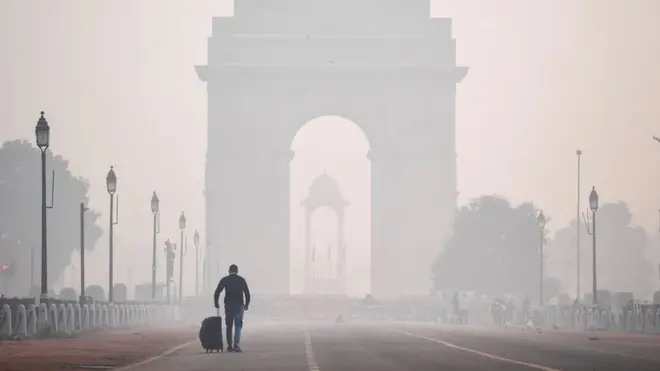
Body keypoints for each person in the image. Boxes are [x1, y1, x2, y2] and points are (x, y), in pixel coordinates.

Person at [214, 264, 251, 352]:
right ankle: (236, 344)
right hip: (239, 305)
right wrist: (246, 304)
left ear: (229, 271)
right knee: (238, 325)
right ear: (237, 271)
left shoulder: (225, 280)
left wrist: (216, 303)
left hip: (228, 306)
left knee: (229, 325)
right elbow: (247, 293)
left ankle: (229, 345)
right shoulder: (241, 280)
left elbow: (217, 291)